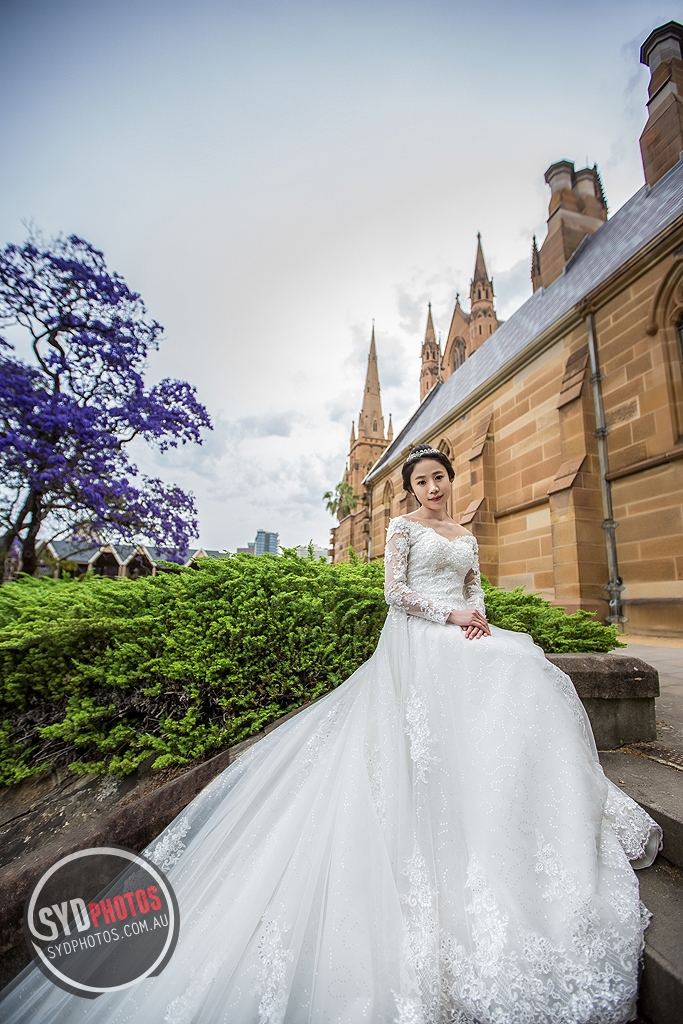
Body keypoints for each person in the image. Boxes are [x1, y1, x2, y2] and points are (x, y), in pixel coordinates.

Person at [1, 444, 661, 1024]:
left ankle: (514, 799)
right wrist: (449, 614)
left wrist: (476, 620)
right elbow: (396, 595)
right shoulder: (401, 527)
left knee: (522, 663)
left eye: (439, 478)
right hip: (414, 641)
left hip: (459, 635)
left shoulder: (464, 531)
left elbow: (475, 588)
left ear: (451, 480)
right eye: (423, 480)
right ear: (409, 489)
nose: (433, 488)